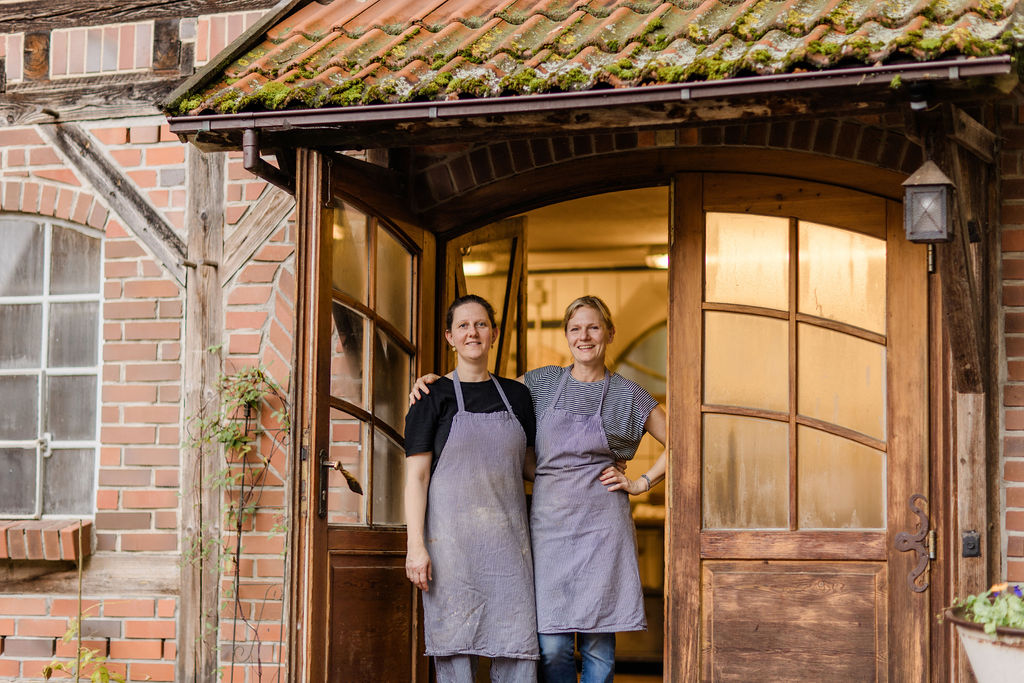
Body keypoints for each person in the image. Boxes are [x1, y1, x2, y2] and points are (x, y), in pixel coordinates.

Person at [412, 295, 668, 683]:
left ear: (609, 333)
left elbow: (683, 442)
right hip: (547, 528)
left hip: (601, 525)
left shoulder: (627, 395)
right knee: (551, 647)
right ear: (566, 335)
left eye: (593, 327)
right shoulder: (539, 384)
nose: (584, 336)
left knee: (598, 645)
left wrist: (640, 482)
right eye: (575, 329)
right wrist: (434, 382)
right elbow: (496, 414)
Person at [403, 294, 540, 683]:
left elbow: (530, 466)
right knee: (456, 658)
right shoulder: (431, 397)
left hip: (510, 553)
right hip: (452, 556)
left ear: (494, 334)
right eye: (463, 326)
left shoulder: (518, 395)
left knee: (517, 657)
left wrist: (590, 465)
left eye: (480, 324)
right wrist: (416, 547)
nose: (472, 332)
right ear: (449, 336)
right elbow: (416, 477)